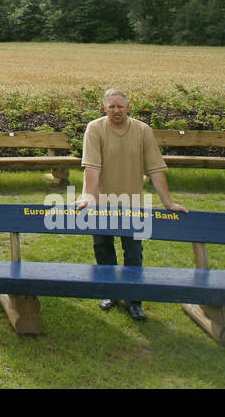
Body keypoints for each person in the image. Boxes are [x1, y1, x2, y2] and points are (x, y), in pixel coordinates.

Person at [75, 88, 187, 322]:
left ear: (128, 108)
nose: (116, 110)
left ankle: (134, 301)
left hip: (132, 205)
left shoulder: (143, 130)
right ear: (104, 108)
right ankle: (111, 293)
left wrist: (168, 202)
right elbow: (92, 169)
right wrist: (88, 197)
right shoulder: (94, 129)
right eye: (111, 106)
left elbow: (156, 169)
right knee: (104, 250)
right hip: (102, 204)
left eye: (120, 106)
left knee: (134, 254)